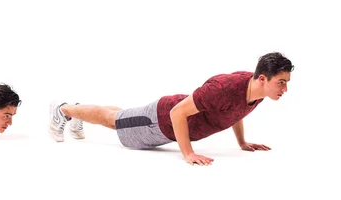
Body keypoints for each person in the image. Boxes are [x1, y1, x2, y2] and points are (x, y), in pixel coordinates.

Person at [48, 52, 294, 165]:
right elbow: (178, 113)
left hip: (162, 121)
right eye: (280, 82)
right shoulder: (224, 87)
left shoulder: (255, 92)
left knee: (121, 116)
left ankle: (77, 111)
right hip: (162, 121)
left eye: (286, 83)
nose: (284, 89)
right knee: (112, 121)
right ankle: (65, 109)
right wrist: (188, 153)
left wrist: (242, 142)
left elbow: (235, 112)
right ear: (262, 78)